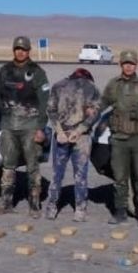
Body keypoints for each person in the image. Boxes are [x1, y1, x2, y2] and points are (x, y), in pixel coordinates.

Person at [0, 36, 50, 218]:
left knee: (32, 166)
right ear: (13, 50)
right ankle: (6, 202)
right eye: (17, 49)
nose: (20, 52)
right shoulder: (4, 71)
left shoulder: (37, 72)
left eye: (23, 49)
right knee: (8, 165)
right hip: (9, 126)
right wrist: (0, 119)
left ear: (28, 51)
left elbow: (44, 102)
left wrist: (41, 128)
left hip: (30, 126)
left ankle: (34, 204)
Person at [100, 50, 138, 227]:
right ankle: (120, 212)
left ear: (137, 65)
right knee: (119, 178)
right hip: (118, 139)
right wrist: (91, 114)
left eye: (131, 64)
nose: (128, 66)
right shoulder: (113, 85)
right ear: (121, 65)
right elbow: (102, 103)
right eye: (126, 63)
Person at [44, 68, 101, 222]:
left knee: (57, 174)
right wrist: (80, 130)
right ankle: (80, 210)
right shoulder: (91, 88)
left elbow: (50, 110)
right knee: (80, 175)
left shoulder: (58, 85)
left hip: (61, 135)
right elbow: (95, 113)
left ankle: (51, 207)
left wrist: (59, 131)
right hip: (82, 137)